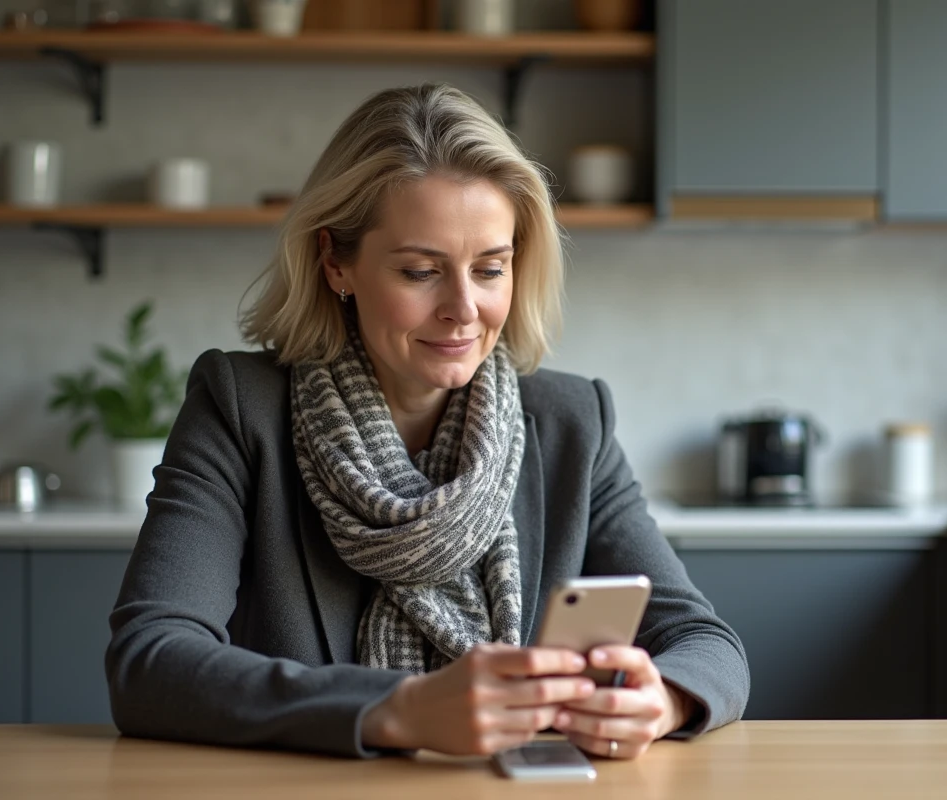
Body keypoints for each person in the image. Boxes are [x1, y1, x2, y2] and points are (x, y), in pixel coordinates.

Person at [105, 83, 749, 760]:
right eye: (420, 271)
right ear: (335, 263)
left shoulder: (571, 422)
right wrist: (397, 710)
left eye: (490, 268)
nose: (464, 309)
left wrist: (661, 699)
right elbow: (149, 663)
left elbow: (709, 647)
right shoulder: (241, 407)